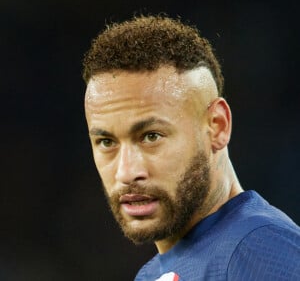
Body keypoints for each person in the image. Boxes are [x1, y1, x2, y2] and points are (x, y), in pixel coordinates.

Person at [82, 15, 300, 280]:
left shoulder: (260, 251)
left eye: (151, 136)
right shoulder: (153, 274)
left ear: (217, 126)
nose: (126, 173)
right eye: (107, 142)